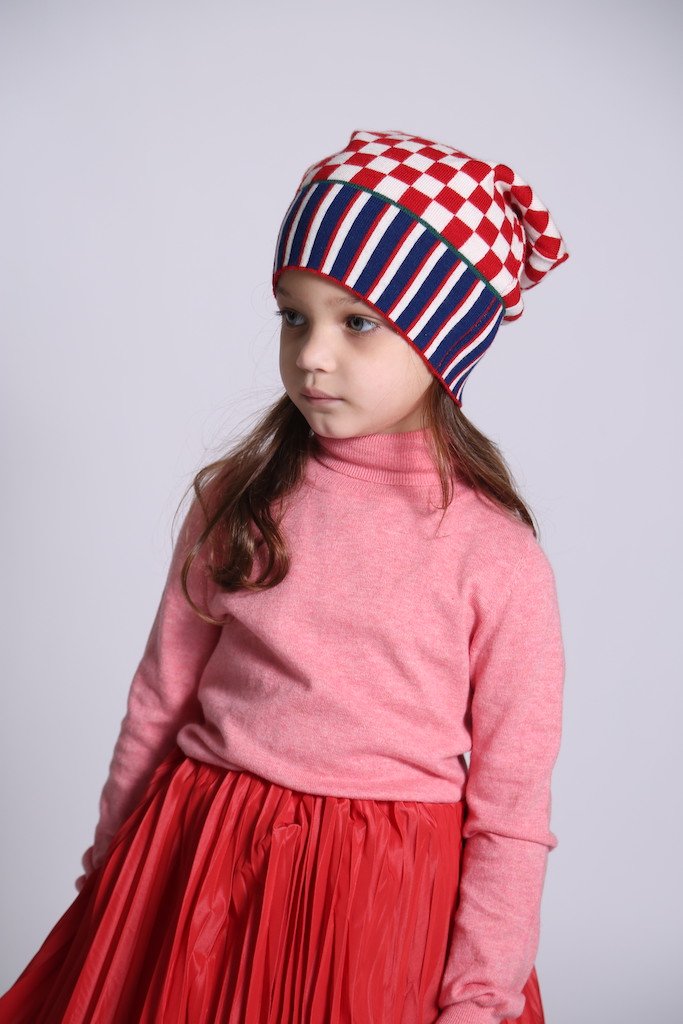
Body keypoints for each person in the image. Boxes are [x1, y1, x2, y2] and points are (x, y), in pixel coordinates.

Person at [0, 128, 569, 1024]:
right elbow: (160, 697)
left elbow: (510, 808)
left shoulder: (494, 556)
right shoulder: (242, 499)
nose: (311, 354)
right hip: (201, 861)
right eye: (293, 316)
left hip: (380, 896)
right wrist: (110, 870)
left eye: (357, 323)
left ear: (443, 341)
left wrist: (478, 996)